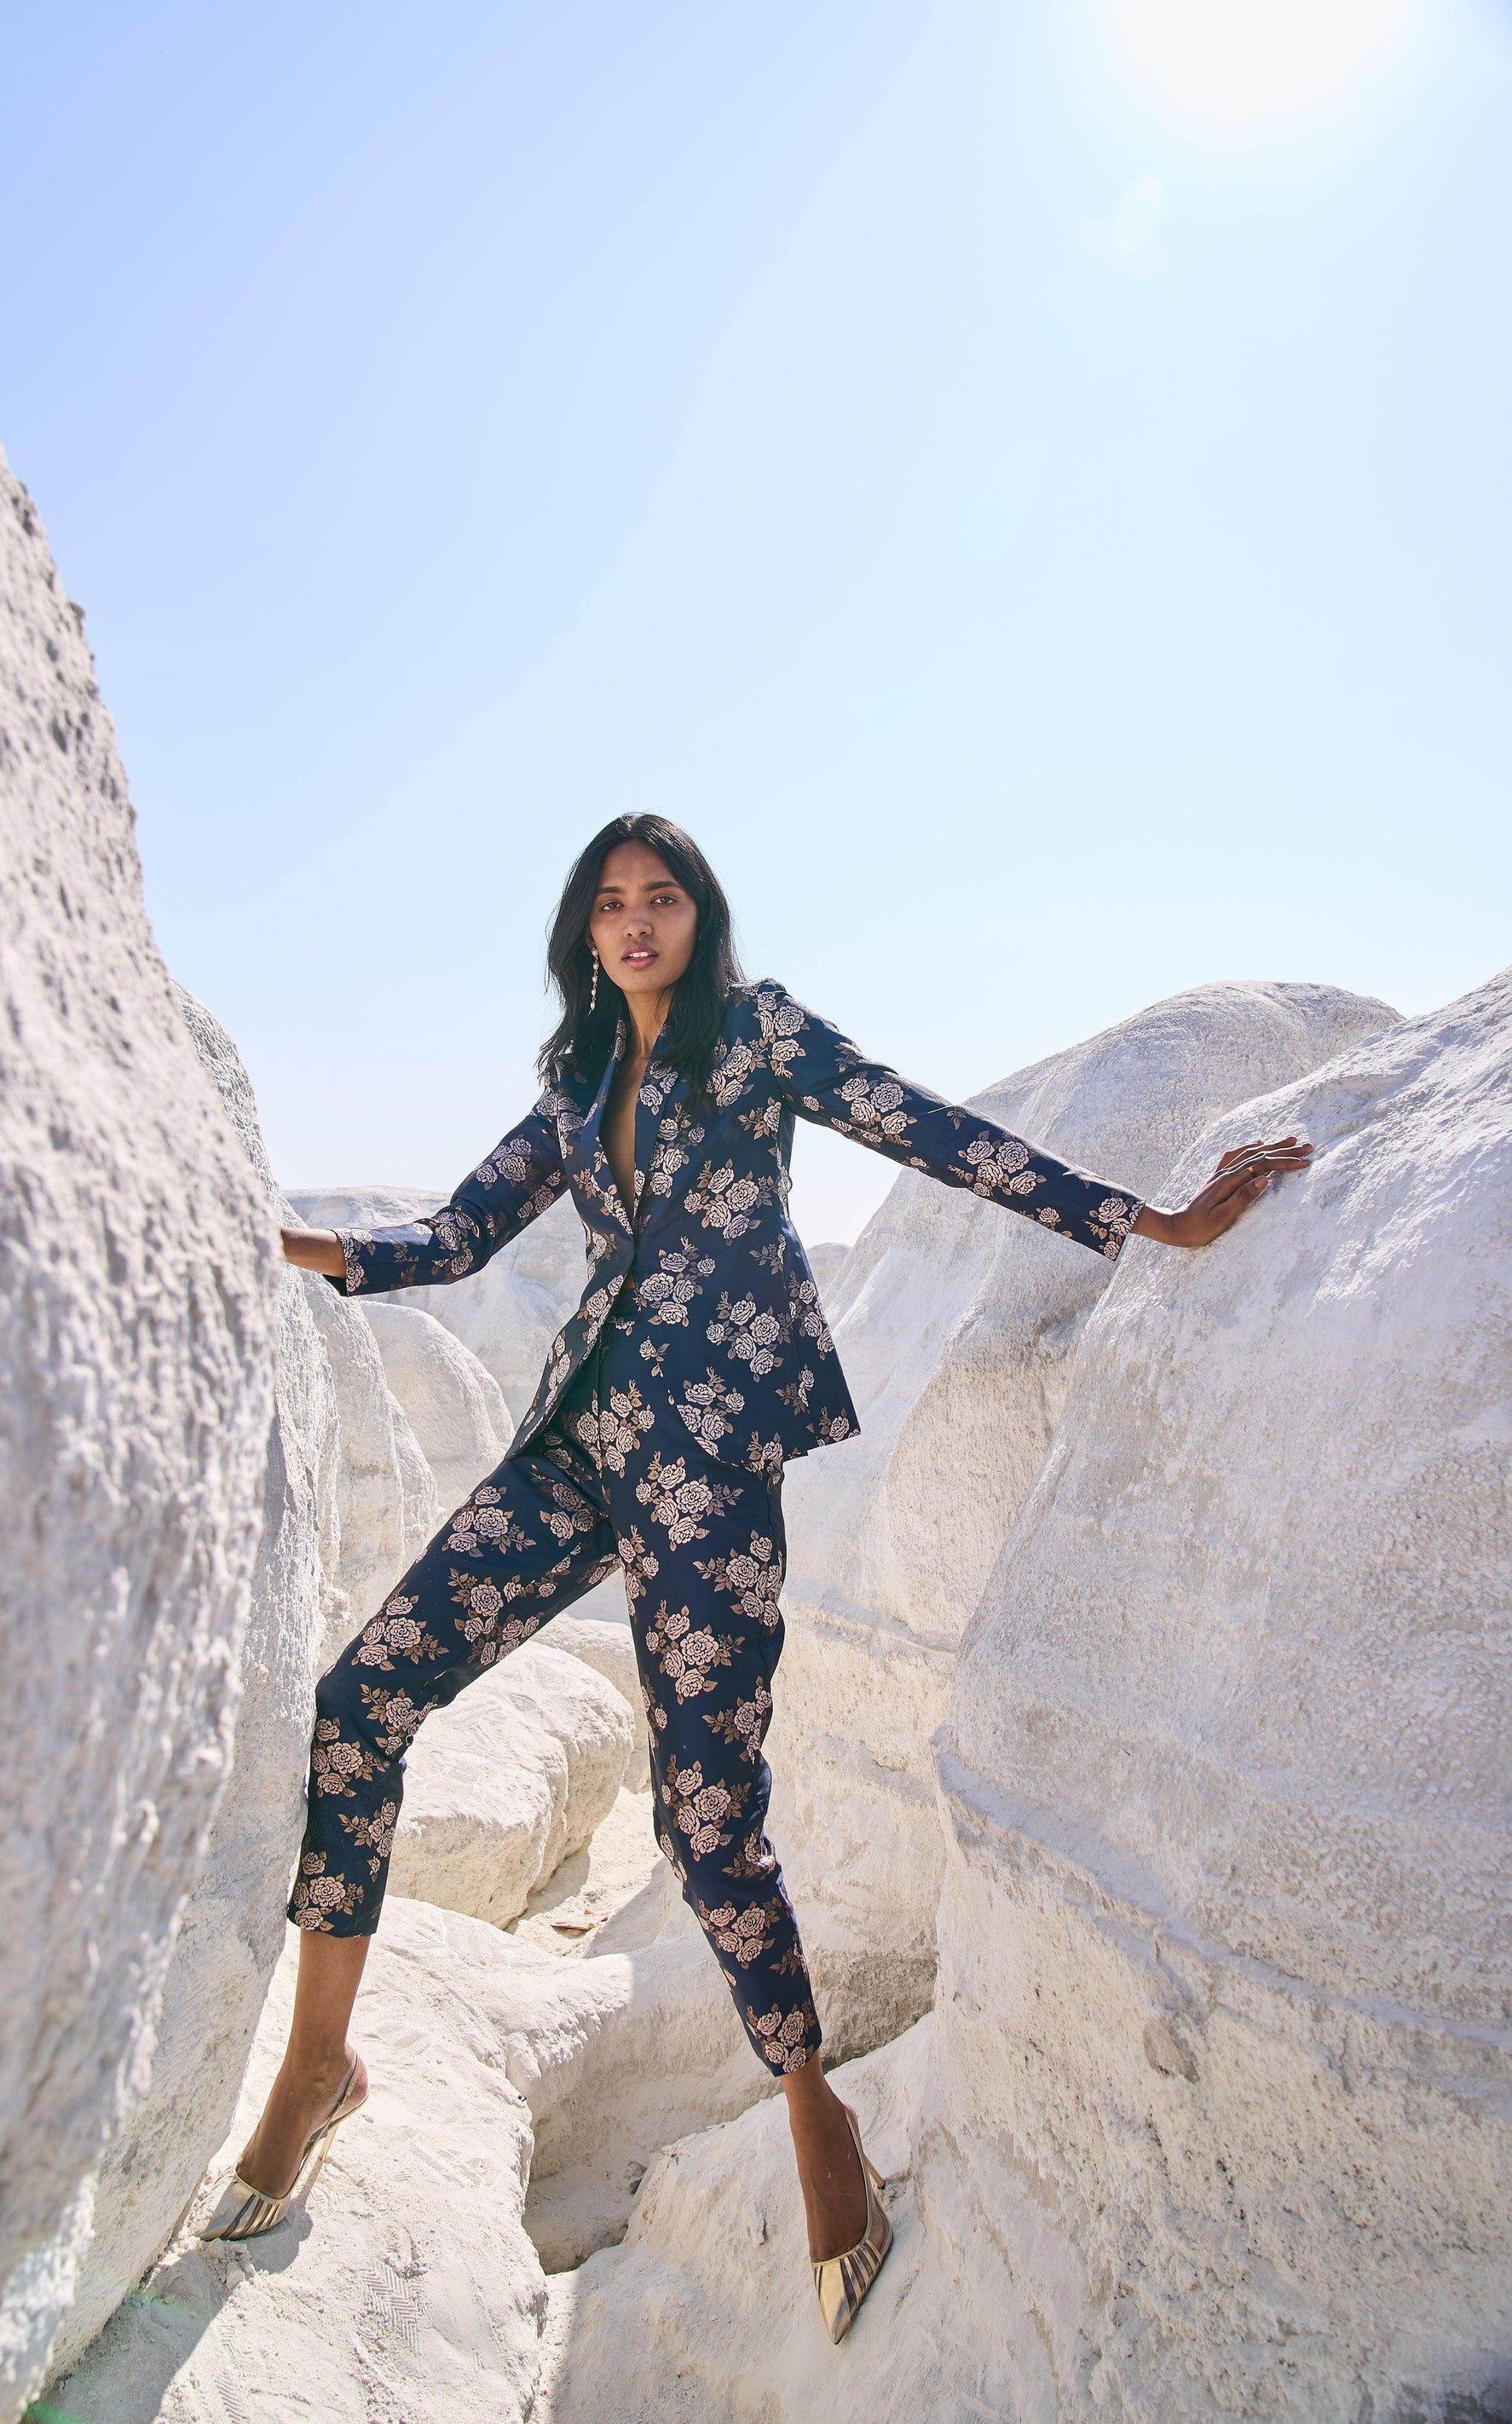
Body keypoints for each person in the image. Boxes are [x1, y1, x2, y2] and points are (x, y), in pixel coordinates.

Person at [201, 812, 1311, 2342]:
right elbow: (452, 1240)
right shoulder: (574, 1079)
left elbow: (933, 1133)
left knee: (707, 1818)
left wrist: (1154, 1223)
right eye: (610, 903)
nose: (634, 922)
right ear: (583, 932)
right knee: (358, 1704)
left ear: (699, 916)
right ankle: (320, 2064)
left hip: (714, 1468)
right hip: (577, 1446)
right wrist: (260, 1237)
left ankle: (811, 2109)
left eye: (659, 898)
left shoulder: (760, 1035)